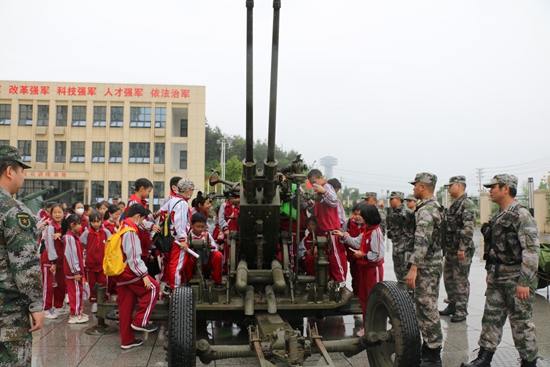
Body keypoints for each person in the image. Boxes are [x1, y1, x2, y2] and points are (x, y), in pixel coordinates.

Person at [462, 174, 539, 367]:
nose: (490, 190)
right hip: (497, 277)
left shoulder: (522, 215)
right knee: (491, 318)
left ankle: (529, 362)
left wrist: (524, 282)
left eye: (493, 186)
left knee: (521, 323)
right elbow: (493, 247)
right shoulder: (498, 215)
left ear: (506, 188)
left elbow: (531, 251)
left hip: (516, 278)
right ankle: (483, 359)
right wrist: (490, 269)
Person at [0, 145, 44, 366]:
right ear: (9, 171)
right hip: (7, 315)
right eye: (22, 170)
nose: (24, 175)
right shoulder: (14, 211)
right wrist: (36, 304)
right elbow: (26, 265)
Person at [405, 172, 443, 367]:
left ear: (422, 187)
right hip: (432, 263)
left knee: (426, 306)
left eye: (415, 185)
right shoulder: (433, 207)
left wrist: (414, 267)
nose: (413, 189)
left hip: (427, 265)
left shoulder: (426, 210)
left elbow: (422, 241)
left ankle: (433, 354)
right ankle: (429, 349)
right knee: (426, 305)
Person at [113, 203, 159, 349]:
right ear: (138, 216)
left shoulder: (122, 225)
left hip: (119, 271)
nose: (142, 223)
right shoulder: (130, 231)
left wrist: (150, 225)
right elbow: (134, 257)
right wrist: (144, 274)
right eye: (142, 219)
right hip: (128, 271)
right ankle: (140, 321)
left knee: (125, 306)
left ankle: (126, 340)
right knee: (153, 288)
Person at [334, 204, 385, 337]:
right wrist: (343, 236)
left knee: (374, 298)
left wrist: (363, 255)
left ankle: (376, 327)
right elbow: (357, 242)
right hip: (364, 268)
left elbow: (378, 254)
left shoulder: (376, 232)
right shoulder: (366, 231)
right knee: (363, 298)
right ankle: (367, 326)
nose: (359, 218)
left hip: (373, 271)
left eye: (362, 216)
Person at [439, 176, 477, 323]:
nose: (449, 188)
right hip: (450, 249)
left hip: (461, 250)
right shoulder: (455, 204)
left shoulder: (466, 204)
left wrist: (463, 247)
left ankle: (461, 310)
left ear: (459, 186)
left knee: (460, 280)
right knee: (449, 279)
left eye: (451, 185)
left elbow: (468, 227)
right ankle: (452, 305)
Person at [307, 169, 348, 287]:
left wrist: (324, 191)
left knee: (334, 258)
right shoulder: (317, 192)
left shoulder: (327, 187)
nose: (314, 185)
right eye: (311, 183)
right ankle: (331, 279)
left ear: (321, 178)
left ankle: (340, 281)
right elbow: (314, 210)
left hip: (331, 231)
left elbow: (334, 201)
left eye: (315, 182)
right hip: (322, 231)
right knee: (325, 258)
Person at [163, 178, 196, 292]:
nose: (192, 193)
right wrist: (182, 240)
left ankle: (169, 286)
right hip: (178, 239)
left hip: (171, 237)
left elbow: (162, 212)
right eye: (192, 190)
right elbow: (180, 222)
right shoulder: (182, 204)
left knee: (171, 263)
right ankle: (175, 289)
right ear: (187, 190)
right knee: (177, 265)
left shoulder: (173, 200)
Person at [41, 203, 70, 319]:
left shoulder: (65, 226)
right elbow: (49, 245)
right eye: (55, 212)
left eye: (60, 212)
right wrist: (53, 262)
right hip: (50, 261)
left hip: (61, 261)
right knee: (49, 285)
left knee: (61, 285)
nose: (57, 214)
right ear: (51, 214)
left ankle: (58, 306)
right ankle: (46, 308)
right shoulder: (50, 227)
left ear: (64, 213)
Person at [80, 210, 111, 313]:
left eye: (98, 221)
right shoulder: (87, 233)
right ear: (90, 222)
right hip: (91, 264)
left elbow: (110, 244)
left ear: (101, 221)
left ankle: (103, 300)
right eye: (94, 222)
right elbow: (82, 243)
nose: (96, 224)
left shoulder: (106, 232)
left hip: (103, 264)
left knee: (103, 282)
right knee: (92, 283)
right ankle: (94, 301)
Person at [63, 214, 89, 324]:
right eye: (78, 224)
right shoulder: (69, 238)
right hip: (73, 272)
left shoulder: (73, 236)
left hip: (75, 271)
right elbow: (71, 255)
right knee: (75, 293)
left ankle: (77, 311)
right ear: (72, 225)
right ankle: (75, 314)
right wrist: (76, 271)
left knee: (76, 291)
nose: (80, 226)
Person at [386, 191, 415, 287]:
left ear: (398, 199)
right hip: (396, 246)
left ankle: (408, 297)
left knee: (405, 274)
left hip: (405, 248)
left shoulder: (407, 213)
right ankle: (401, 295)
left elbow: (412, 232)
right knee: (398, 272)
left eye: (392, 199)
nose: (390, 201)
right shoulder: (392, 212)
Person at [188, 213, 223, 285]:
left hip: (207, 260)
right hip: (194, 261)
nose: (200, 229)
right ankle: (189, 280)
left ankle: (216, 280)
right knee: (186, 259)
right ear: (192, 225)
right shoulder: (188, 236)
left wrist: (210, 245)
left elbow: (215, 249)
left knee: (218, 255)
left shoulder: (207, 235)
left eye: (202, 227)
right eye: (198, 226)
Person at [340, 202, 365, 295]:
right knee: (355, 277)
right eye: (355, 214)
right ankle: (356, 294)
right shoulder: (348, 223)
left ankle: (363, 296)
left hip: (364, 257)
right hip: (352, 257)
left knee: (363, 278)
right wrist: (344, 235)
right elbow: (341, 236)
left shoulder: (367, 225)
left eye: (360, 214)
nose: (357, 217)